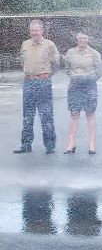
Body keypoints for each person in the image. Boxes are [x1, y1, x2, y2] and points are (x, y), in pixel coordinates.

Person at [14, 19, 59, 154]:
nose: (34, 33)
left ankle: (50, 145)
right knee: (27, 115)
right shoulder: (25, 44)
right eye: (32, 30)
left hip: (43, 82)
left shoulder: (49, 45)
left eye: (37, 30)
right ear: (30, 31)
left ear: (42, 31)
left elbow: (56, 64)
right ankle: (26, 144)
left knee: (46, 115)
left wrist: (45, 75)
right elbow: (23, 61)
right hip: (28, 82)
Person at [64, 33, 102, 154]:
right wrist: (75, 77)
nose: (82, 40)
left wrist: (90, 79)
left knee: (90, 114)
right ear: (76, 39)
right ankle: (71, 143)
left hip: (89, 85)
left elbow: (100, 70)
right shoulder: (70, 52)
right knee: (74, 114)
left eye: (84, 38)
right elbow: (67, 68)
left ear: (88, 39)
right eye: (80, 38)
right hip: (75, 85)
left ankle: (92, 144)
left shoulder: (94, 53)